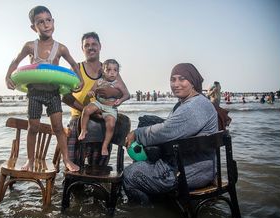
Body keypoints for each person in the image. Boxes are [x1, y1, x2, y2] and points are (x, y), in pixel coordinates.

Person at [123, 63, 218, 205]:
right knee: (147, 121)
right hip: (195, 167)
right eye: (173, 79)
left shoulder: (195, 106)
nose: (176, 84)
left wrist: (136, 134)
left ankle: (145, 215)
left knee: (129, 174)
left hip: (189, 172)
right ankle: (159, 197)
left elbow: (166, 131)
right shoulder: (188, 103)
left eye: (182, 79)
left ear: (192, 82)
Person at [4, 6, 84, 172]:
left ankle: (66, 160)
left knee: (58, 128)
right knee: (33, 127)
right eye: (40, 22)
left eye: (48, 20)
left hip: (53, 93)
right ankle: (30, 161)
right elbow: (15, 61)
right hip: (34, 93)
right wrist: (7, 77)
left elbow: (74, 64)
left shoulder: (60, 48)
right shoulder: (29, 46)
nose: (46, 25)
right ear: (34, 27)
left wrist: (80, 80)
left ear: (53, 22)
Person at [62, 32, 126, 166]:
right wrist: (88, 110)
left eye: (94, 44)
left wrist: (112, 92)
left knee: (99, 170)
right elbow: (65, 97)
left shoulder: (109, 69)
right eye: (87, 45)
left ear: (100, 46)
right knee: (73, 168)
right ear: (82, 49)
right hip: (78, 121)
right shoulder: (76, 69)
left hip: (102, 123)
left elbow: (122, 92)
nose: (91, 48)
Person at [78, 59, 130, 162]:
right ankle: (84, 130)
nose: (112, 72)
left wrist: (120, 100)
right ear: (103, 71)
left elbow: (127, 95)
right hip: (99, 103)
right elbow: (92, 90)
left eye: (115, 70)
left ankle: (105, 145)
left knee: (111, 124)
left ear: (118, 72)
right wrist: (91, 93)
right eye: (109, 70)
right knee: (87, 110)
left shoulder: (118, 84)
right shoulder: (99, 81)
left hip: (110, 108)